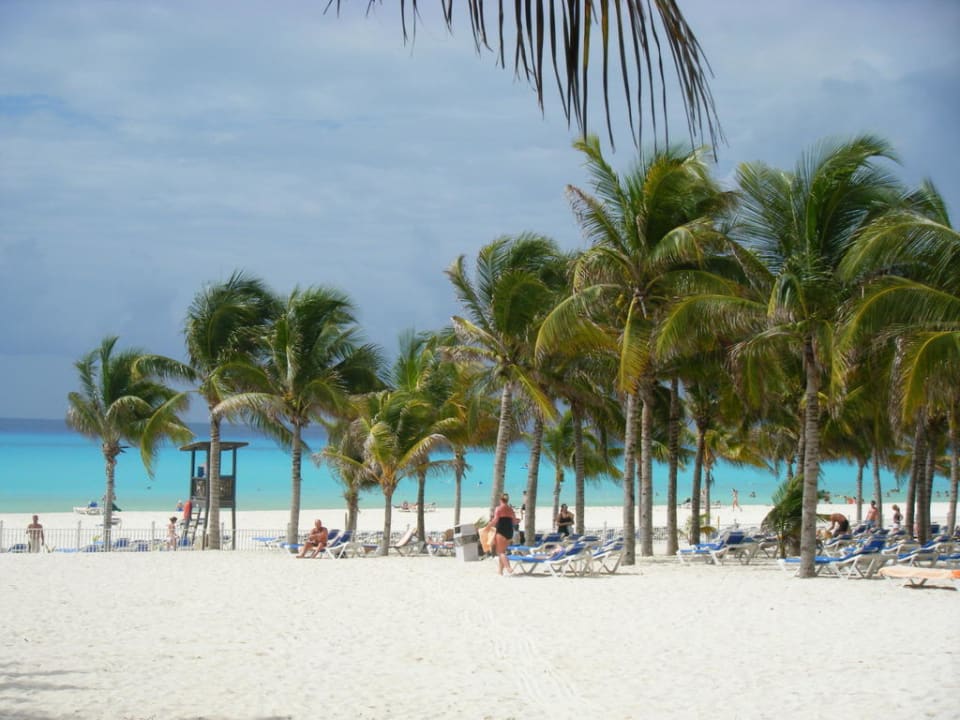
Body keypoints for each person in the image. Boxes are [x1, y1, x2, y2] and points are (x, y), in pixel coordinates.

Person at [485, 493, 517, 575]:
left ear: (500, 500)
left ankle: (508, 568)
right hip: (509, 532)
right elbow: (514, 521)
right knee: (502, 551)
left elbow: (495, 520)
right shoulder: (510, 509)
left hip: (501, 531)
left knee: (500, 552)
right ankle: (500, 571)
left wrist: (488, 527)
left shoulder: (498, 508)